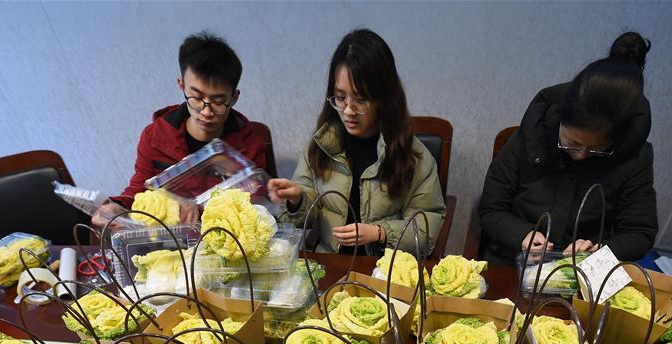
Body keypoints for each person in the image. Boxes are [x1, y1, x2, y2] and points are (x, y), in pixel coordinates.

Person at [477, 32, 658, 265]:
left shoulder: (634, 157)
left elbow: (640, 232)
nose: (581, 155)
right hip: (513, 262)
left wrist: (600, 251)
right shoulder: (532, 135)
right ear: (560, 120)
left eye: (596, 150)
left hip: (584, 270)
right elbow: (491, 209)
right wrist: (522, 235)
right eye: (572, 144)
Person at [268, 29, 445, 255]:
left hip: (384, 268)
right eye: (340, 98)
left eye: (360, 100)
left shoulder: (413, 156)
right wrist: (297, 199)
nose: (348, 111)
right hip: (331, 264)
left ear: (384, 97)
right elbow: (304, 217)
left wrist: (380, 233)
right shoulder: (322, 145)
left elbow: (428, 227)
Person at [93, 32, 269, 226]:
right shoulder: (155, 137)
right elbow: (139, 192)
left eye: (219, 101)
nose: (206, 112)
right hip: (170, 239)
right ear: (182, 85)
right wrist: (119, 208)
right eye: (197, 98)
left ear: (234, 97)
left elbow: (258, 207)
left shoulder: (251, 145)